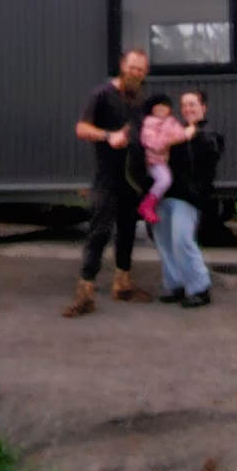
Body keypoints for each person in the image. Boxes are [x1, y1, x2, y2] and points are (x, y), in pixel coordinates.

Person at [65, 49, 155, 317]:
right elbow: (81, 128)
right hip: (107, 178)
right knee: (99, 232)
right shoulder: (102, 94)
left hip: (133, 179)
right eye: (133, 67)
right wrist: (108, 136)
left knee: (127, 230)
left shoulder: (141, 99)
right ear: (122, 66)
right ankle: (85, 294)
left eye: (141, 69)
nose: (136, 73)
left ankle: (122, 285)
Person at [151, 88, 224, 309]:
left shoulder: (210, 134)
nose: (188, 109)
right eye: (184, 105)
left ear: (203, 107)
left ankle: (200, 288)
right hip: (165, 196)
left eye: (192, 104)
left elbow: (211, 152)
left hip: (189, 198)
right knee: (165, 242)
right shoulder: (176, 131)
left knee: (182, 240)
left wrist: (194, 133)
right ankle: (175, 285)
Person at [138, 94, 196, 225]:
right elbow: (154, 144)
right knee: (164, 180)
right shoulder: (149, 123)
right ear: (152, 110)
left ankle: (153, 206)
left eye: (164, 107)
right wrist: (176, 138)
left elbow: (180, 133)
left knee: (165, 181)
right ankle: (147, 205)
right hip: (152, 161)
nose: (161, 110)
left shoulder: (171, 121)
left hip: (162, 160)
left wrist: (187, 131)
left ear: (169, 109)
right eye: (157, 108)